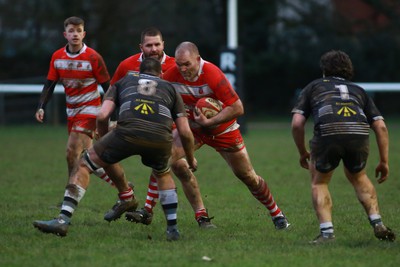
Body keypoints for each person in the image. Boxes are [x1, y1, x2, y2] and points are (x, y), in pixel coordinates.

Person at [127, 41, 290, 230]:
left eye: (187, 64)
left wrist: (210, 122)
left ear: (198, 59)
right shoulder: (171, 75)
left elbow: (238, 107)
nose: (182, 68)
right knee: (163, 158)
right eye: (179, 64)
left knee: (247, 176)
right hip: (193, 129)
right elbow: (156, 99)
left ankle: (276, 213)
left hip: (223, 130)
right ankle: (147, 210)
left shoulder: (212, 73)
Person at [33, 57, 196, 241]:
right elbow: (185, 132)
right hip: (159, 139)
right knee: (163, 173)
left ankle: (63, 220)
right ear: (161, 73)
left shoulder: (124, 80)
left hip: (126, 132)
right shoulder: (171, 88)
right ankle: (172, 229)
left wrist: (103, 140)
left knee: (84, 164)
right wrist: (190, 159)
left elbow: (102, 115)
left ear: (139, 71)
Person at [112, 28, 215, 227]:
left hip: (174, 125)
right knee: (181, 168)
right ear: (141, 47)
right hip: (144, 125)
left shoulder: (176, 64)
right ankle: (200, 216)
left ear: (163, 44)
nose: (153, 49)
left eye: (157, 44)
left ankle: (145, 209)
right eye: (149, 45)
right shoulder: (127, 65)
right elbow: (114, 92)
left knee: (165, 162)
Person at [291, 50, 395, 244]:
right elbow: (380, 126)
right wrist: (384, 161)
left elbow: (297, 123)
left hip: (328, 133)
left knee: (320, 182)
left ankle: (327, 234)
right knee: (359, 177)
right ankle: (377, 222)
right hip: (358, 134)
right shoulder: (359, 90)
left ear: (324, 71)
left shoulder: (313, 86)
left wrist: (302, 152)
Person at [34, 16, 115, 187]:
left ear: (84, 34)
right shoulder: (57, 57)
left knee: (71, 152)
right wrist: (41, 107)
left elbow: (108, 88)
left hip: (91, 110)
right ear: (65, 34)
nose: (75, 34)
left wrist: (109, 114)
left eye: (79, 31)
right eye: (71, 31)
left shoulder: (93, 57)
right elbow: (49, 84)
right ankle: (121, 186)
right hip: (71, 111)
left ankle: (70, 190)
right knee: (87, 156)